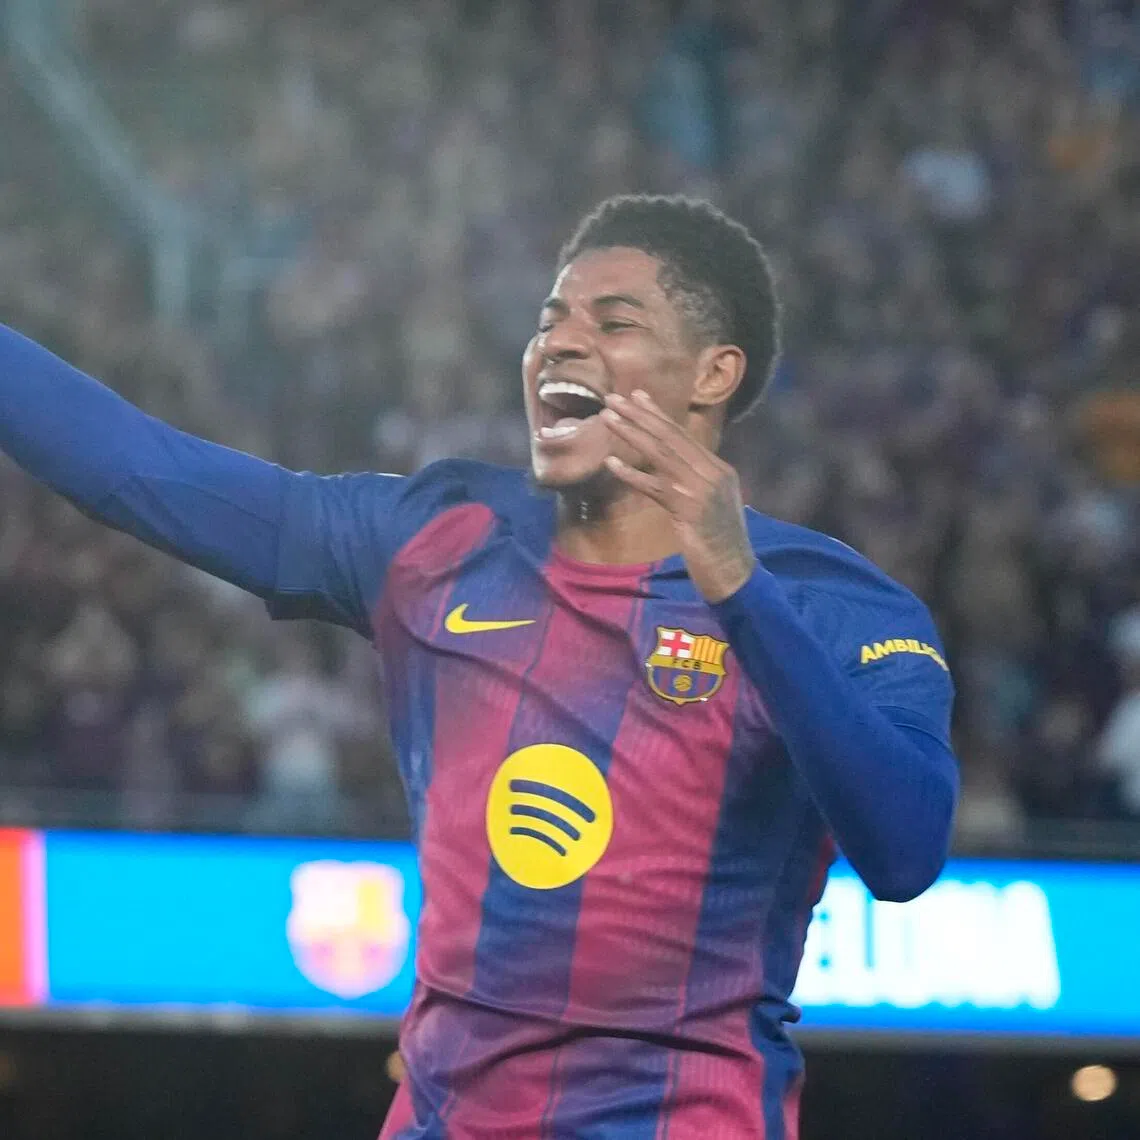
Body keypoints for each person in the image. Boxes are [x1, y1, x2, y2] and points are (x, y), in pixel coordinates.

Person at [0, 195, 958, 1138]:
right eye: (551, 322)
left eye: (613, 321)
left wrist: (741, 593)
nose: (562, 344)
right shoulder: (438, 539)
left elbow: (907, 850)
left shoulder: (833, 605)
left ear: (713, 374)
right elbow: (143, 471)